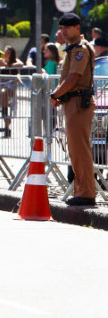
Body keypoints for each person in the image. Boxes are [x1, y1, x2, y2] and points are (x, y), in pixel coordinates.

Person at [49, 12, 97, 206]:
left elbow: (73, 78)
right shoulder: (72, 49)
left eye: (67, 27)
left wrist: (55, 94)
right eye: (61, 28)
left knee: (80, 149)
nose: (63, 31)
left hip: (78, 103)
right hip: (73, 102)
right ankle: (82, 190)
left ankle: (86, 193)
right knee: (76, 150)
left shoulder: (80, 49)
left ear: (77, 28)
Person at [0, 45, 24, 138]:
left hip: (11, 87)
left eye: (8, 53)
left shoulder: (15, 61)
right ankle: (6, 125)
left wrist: (8, 65)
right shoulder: (1, 61)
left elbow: (20, 64)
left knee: (5, 92)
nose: (6, 54)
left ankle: (5, 116)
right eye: (5, 52)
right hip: (2, 86)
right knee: (1, 100)